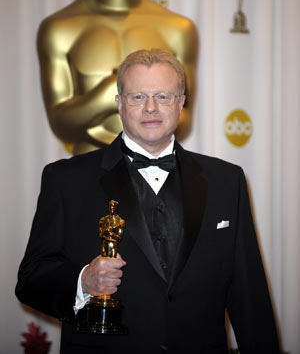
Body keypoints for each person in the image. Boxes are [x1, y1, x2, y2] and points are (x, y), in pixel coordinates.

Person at [16, 49, 280, 353]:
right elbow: (31, 280)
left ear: (181, 103)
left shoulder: (226, 180)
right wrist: (82, 282)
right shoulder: (66, 180)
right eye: (138, 97)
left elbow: (249, 294)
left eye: (164, 97)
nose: (151, 108)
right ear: (119, 104)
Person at [37, 0, 198, 155]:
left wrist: (119, 98)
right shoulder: (59, 29)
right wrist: (111, 91)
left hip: (157, 175)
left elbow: (183, 120)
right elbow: (60, 123)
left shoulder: (178, 29)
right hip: (86, 174)